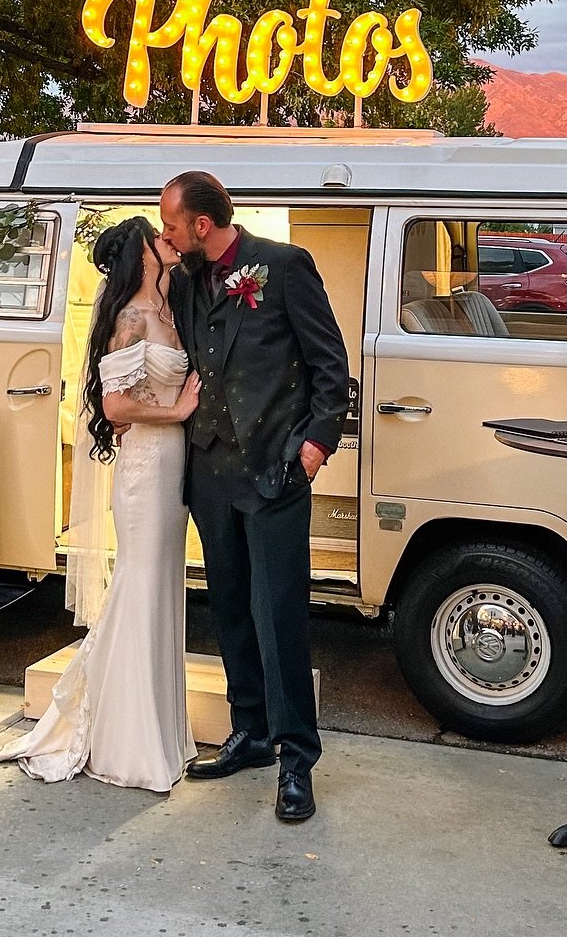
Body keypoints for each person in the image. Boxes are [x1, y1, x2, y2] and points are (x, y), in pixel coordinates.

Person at [160, 172, 350, 822]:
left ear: (202, 224)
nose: (167, 233)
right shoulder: (187, 279)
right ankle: (250, 732)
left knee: (279, 617)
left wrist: (314, 446)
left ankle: (296, 760)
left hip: (275, 470)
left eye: (173, 224)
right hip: (210, 470)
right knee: (231, 609)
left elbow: (331, 366)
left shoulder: (285, 266)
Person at [0, 216, 202, 792]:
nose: (169, 241)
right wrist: (178, 412)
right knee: (140, 584)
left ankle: (157, 729)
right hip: (145, 468)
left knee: (161, 586)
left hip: (172, 466)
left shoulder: (168, 307)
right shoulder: (131, 318)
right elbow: (114, 408)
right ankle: (127, 741)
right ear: (142, 254)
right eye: (159, 237)